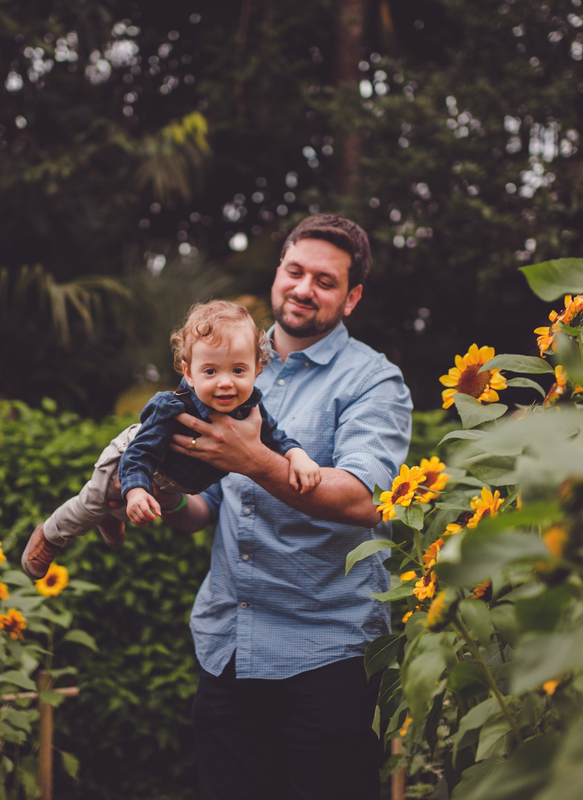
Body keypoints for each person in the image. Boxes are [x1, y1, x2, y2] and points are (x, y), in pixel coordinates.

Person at [156, 214, 412, 799]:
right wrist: (163, 493)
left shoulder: (375, 381)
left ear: (351, 298)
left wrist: (255, 460)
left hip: (329, 654)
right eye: (295, 271)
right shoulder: (224, 364)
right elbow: (206, 506)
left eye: (325, 281)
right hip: (229, 645)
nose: (303, 288)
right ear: (277, 273)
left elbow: (366, 499)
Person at [21, 300, 321, 577]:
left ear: (257, 369)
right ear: (189, 373)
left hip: (166, 481)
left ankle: (112, 514)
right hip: (128, 457)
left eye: (238, 370)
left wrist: (297, 455)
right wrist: (135, 491)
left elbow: (276, 438)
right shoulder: (172, 407)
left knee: (122, 505)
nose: (225, 382)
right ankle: (50, 535)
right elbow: (138, 456)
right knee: (91, 504)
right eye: (210, 371)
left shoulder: (251, 408)